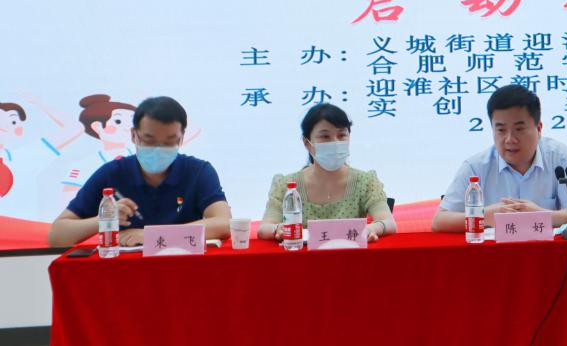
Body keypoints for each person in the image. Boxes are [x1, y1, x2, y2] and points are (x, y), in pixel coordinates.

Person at [47, 96, 230, 247]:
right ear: (134, 135)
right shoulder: (112, 173)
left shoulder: (198, 171)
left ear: (181, 139)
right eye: (149, 140)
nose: (158, 149)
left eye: (169, 142)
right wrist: (105, 219)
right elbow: (57, 236)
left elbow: (224, 224)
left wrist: (152, 236)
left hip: (184, 268)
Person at [432, 84, 567, 232]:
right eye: (501, 130)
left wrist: (540, 215)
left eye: (519, 129)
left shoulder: (559, 158)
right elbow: (440, 221)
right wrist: (484, 216)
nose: (510, 139)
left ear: (539, 129)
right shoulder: (475, 167)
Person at [258, 103, 395, 243]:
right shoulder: (288, 185)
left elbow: (388, 222)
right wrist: (278, 228)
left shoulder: (365, 181)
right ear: (307, 143)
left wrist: (373, 228)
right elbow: (264, 228)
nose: (335, 142)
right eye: (325, 136)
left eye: (342, 135)